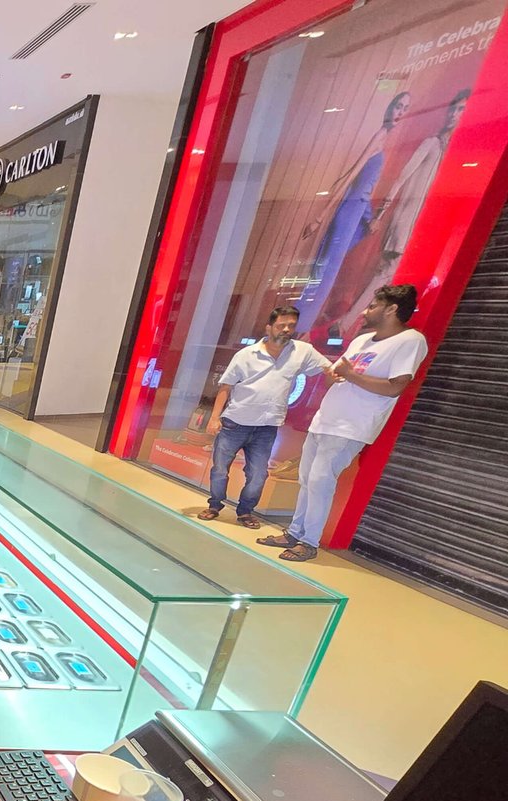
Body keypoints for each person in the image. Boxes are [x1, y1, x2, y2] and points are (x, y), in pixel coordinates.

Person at [258, 284, 427, 562]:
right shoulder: (363, 340)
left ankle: (309, 542)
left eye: (372, 306)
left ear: (392, 309)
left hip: (351, 425)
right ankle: (295, 532)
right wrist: (335, 375)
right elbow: (335, 375)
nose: (365, 311)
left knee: (320, 481)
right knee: (306, 479)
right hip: (325, 419)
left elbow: (395, 387)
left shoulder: (410, 341)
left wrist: (351, 375)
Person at [333, 90, 469, 340]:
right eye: (454, 108)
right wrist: (381, 214)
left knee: (391, 278)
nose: (454, 114)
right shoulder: (430, 143)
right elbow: (400, 179)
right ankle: (347, 324)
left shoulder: (449, 152)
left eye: (461, 110)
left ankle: (357, 326)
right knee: (385, 274)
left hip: (420, 228)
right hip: (404, 224)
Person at [200, 305, 332, 528]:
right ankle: (214, 505)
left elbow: (328, 368)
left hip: (266, 427)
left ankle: (245, 512)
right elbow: (226, 386)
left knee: (258, 474)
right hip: (235, 423)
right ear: (269, 327)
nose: (286, 330)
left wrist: (345, 375)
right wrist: (215, 418)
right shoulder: (246, 355)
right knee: (220, 468)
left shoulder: (301, 351)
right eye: (281, 325)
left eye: (291, 326)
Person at [295, 91, 410, 329]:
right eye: (399, 106)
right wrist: (321, 216)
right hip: (350, 212)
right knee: (325, 273)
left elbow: (365, 191)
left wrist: (369, 217)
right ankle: (299, 326)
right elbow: (352, 178)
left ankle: (301, 324)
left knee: (327, 272)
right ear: (390, 107)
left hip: (358, 212)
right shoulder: (379, 136)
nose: (400, 112)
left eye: (405, 109)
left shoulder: (384, 139)